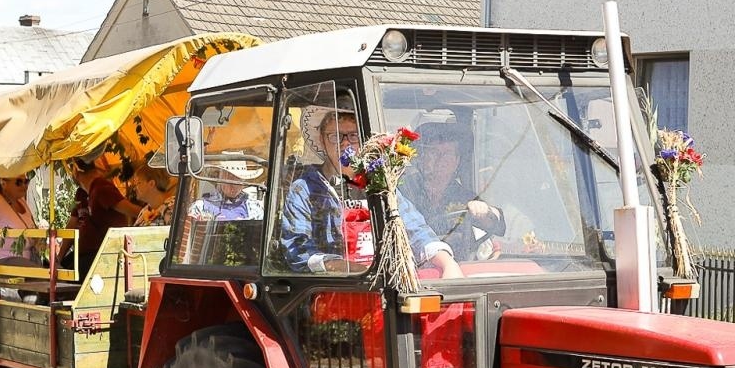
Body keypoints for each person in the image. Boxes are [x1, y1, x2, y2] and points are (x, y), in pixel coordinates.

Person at [278, 105, 462, 278]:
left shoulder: (381, 184)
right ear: (322, 140)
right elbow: (297, 248)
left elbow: (415, 229)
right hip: (329, 290)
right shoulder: (305, 189)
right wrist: (341, 266)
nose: (344, 144)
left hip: (379, 287)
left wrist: (447, 263)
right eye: (335, 136)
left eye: (353, 136)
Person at [403, 122, 507, 262]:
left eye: (447, 154)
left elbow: (498, 227)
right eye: (433, 152)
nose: (440, 159)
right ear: (422, 157)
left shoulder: (465, 197)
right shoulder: (404, 189)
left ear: (457, 161)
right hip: (412, 269)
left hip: (456, 273)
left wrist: (485, 213)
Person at [0, 174, 44, 263]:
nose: (24, 186)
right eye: (19, 182)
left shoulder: (22, 201)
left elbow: (34, 230)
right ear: (3, 182)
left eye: (26, 182)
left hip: (24, 262)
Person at [189, 162, 264, 221]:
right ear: (219, 178)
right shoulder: (200, 207)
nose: (234, 184)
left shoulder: (254, 208)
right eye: (229, 178)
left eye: (239, 179)